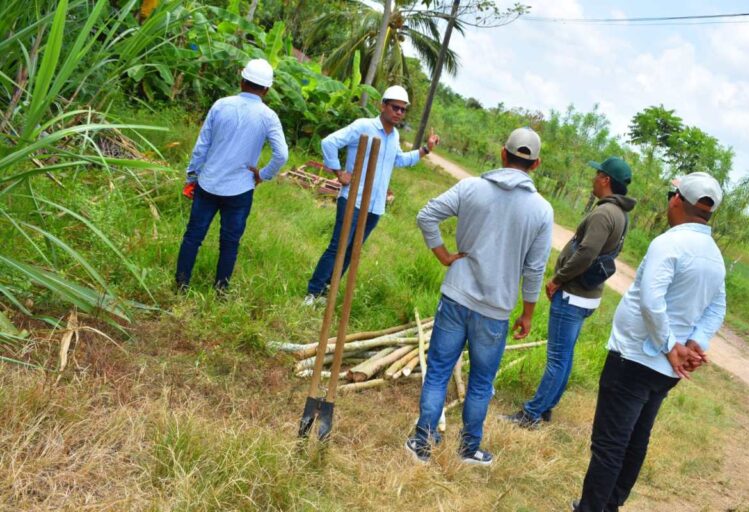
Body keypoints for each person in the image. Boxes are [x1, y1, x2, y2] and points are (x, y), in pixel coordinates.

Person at [573, 172, 726, 512]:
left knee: (610, 444)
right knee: (635, 440)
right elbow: (717, 307)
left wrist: (671, 346)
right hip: (664, 370)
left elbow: (652, 300)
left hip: (635, 359)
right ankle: (608, 505)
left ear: (677, 200)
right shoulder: (714, 256)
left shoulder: (669, 244)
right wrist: (694, 342)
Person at [405, 127, 554, 466]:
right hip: (495, 309)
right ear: (536, 164)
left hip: (456, 296)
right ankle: (469, 448)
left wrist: (443, 255)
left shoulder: (471, 187)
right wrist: (528, 313)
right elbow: (534, 270)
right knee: (481, 382)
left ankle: (422, 443)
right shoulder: (541, 211)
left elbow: (426, 215)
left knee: (438, 371)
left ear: (503, 153)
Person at [503, 156, 635, 428]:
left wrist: (558, 279)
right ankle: (546, 407)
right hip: (588, 295)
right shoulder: (620, 214)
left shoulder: (603, 214)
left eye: (597, 174)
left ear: (606, 180)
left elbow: (587, 252)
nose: (593, 179)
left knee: (556, 358)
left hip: (573, 294)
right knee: (564, 356)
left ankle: (532, 414)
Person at [303, 85, 440, 306]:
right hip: (354, 200)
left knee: (352, 250)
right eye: (395, 107)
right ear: (383, 105)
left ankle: (327, 290)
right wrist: (339, 172)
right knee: (338, 246)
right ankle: (313, 292)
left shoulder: (394, 136)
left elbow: (399, 160)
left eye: (403, 109)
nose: (399, 113)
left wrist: (426, 149)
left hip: (375, 206)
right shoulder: (364, 126)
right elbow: (329, 142)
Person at [175, 59, 288, 291]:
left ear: (242, 80)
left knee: (193, 236)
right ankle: (220, 289)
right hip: (240, 190)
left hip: (208, 183)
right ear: (266, 90)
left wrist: (192, 178)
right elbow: (282, 155)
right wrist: (263, 175)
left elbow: (201, 147)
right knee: (230, 243)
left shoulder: (221, 105)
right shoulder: (269, 117)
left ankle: (181, 284)